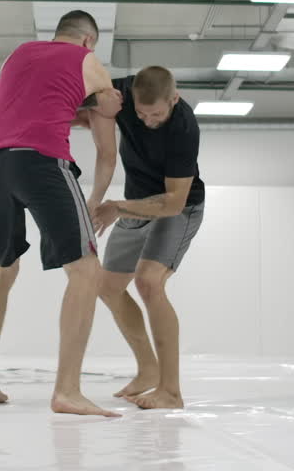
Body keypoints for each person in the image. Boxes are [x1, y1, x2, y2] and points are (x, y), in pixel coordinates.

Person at [0, 10, 123, 417]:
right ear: (89, 41)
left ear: (57, 34)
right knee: (86, 269)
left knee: (2, 268)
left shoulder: (16, 55)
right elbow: (108, 154)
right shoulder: (90, 64)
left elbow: (28, 104)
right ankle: (68, 391)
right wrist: (95, 198)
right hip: (39, 161)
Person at [90, 66, 206, 410]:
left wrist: (117, 209)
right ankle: (148, 370)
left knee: (149, 282)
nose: (148, 121)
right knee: (106, 286)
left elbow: (173, 202)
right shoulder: (121, 92)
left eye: (156, 114)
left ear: (175, 98)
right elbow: (82, 101)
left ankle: (171, 391)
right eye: (140, 114)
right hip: (134, 205)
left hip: (177, 207)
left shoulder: (184, 127)